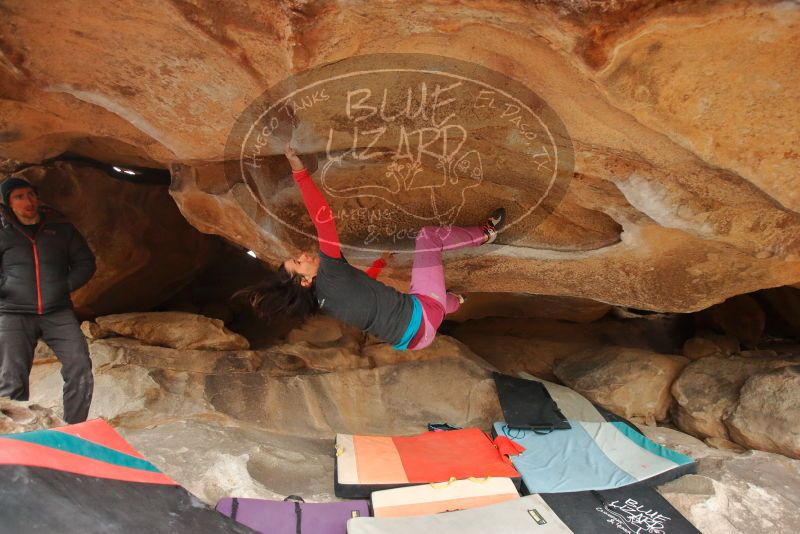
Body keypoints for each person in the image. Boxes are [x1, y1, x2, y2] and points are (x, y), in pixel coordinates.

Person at [240, 144, 505, 351]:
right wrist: (298, 171)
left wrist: (380, 263)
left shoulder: (325, 300)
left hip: (414, 339)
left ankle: (457, 301)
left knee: (427, 297)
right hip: (422, 316)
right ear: (305, 281)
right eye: (298, 263)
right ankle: (485, 234)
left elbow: (363, 290)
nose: (301, 256)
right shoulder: (330, 271)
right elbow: (323, 218)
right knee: (427, 238)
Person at [0, 177, 96, 423]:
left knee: (80, 367)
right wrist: (5, 288)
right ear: (9, 203)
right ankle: (14, 437)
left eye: (30, 194)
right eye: (19, 197)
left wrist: (64, 286)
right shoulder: (3, 231)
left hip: (57, 311)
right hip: (13, 312)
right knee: (12, 378)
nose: (27, 201)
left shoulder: (60, 229)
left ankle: (74, 429)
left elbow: (85, 262)